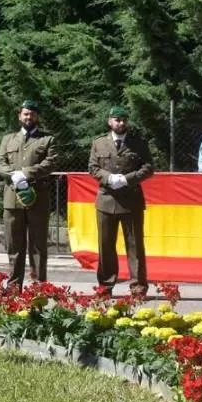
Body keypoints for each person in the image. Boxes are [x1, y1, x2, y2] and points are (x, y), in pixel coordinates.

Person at [88, 106, 154, 297]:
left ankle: (138, 285)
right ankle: (105, 285)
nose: (121, 123)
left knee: (135, 245)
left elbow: (148, 167)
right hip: (106, 200)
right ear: (110, 121)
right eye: (117, 119)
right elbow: (93, 167)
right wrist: (108, 177)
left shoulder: (138, 143)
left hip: (131, 200)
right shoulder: (99, 143)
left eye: (124, 119)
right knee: (105, 245)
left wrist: (127, 179)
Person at [0, 99, 58, 289]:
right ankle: (14, 286)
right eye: (25, 113)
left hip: (38, 198)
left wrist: (26, 173)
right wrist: (13, 175)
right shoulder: (8, 139)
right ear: (19, 116)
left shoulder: (47, 140)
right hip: (12, 199)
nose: (29, 117)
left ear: (37, 116)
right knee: (14, 246)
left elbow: (51, 163)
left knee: (38, 246)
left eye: (32, 114)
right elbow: (0, 163)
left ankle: (38, 287)